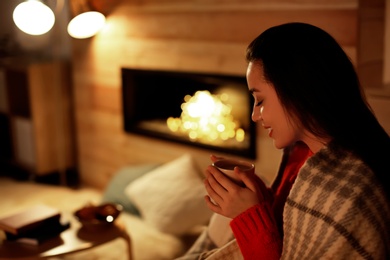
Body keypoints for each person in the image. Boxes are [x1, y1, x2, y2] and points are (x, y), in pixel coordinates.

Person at [178, 22, 390, 259]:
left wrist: (248, 216)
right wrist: (258, 195)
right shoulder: (302, 153)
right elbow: (291, 226)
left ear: (297, 89)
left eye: (259, 101)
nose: (254, 116)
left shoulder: (349, 197)